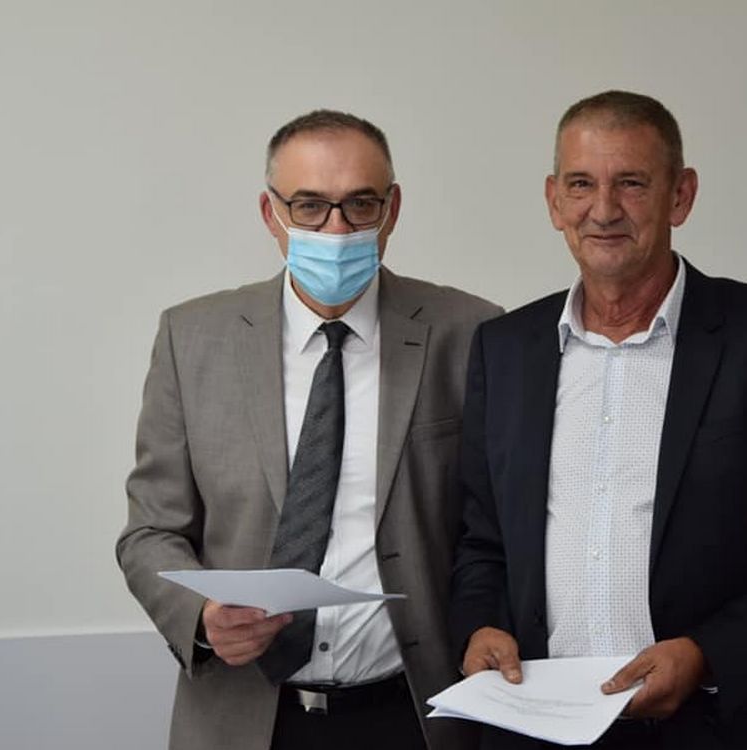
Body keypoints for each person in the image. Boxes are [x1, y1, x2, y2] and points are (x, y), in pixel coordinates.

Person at [450, 91, 747, 749]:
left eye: (632, 183)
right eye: (581, 184)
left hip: (718, 729)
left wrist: (707, 655)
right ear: (554, 201)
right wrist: (480, 625)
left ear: (681, 196)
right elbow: (482, 541)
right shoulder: (504, 349)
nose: (604, 209)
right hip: (535, 727)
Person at [118, 109, 500, 750]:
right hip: (245, 717)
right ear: (271, 214)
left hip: (415, 714)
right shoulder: (193, 338)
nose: (337, 229)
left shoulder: (469, 333)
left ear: (392, 210)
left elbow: (492, 527)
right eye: (310, 206)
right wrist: (202, 619)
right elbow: (150, 532)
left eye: (360, 204)